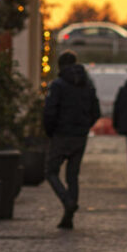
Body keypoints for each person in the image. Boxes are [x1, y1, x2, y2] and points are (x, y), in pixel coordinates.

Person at [42, 50, 100, 230]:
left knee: (51, 172)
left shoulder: (58, 85)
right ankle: (69, 215)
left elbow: (49, 112)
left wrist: (50, 131)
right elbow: (96, 111)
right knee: (72, 175)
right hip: (79, 136)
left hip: (61, 134)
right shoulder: (87, 85)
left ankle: (67, 201)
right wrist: (84, 126)